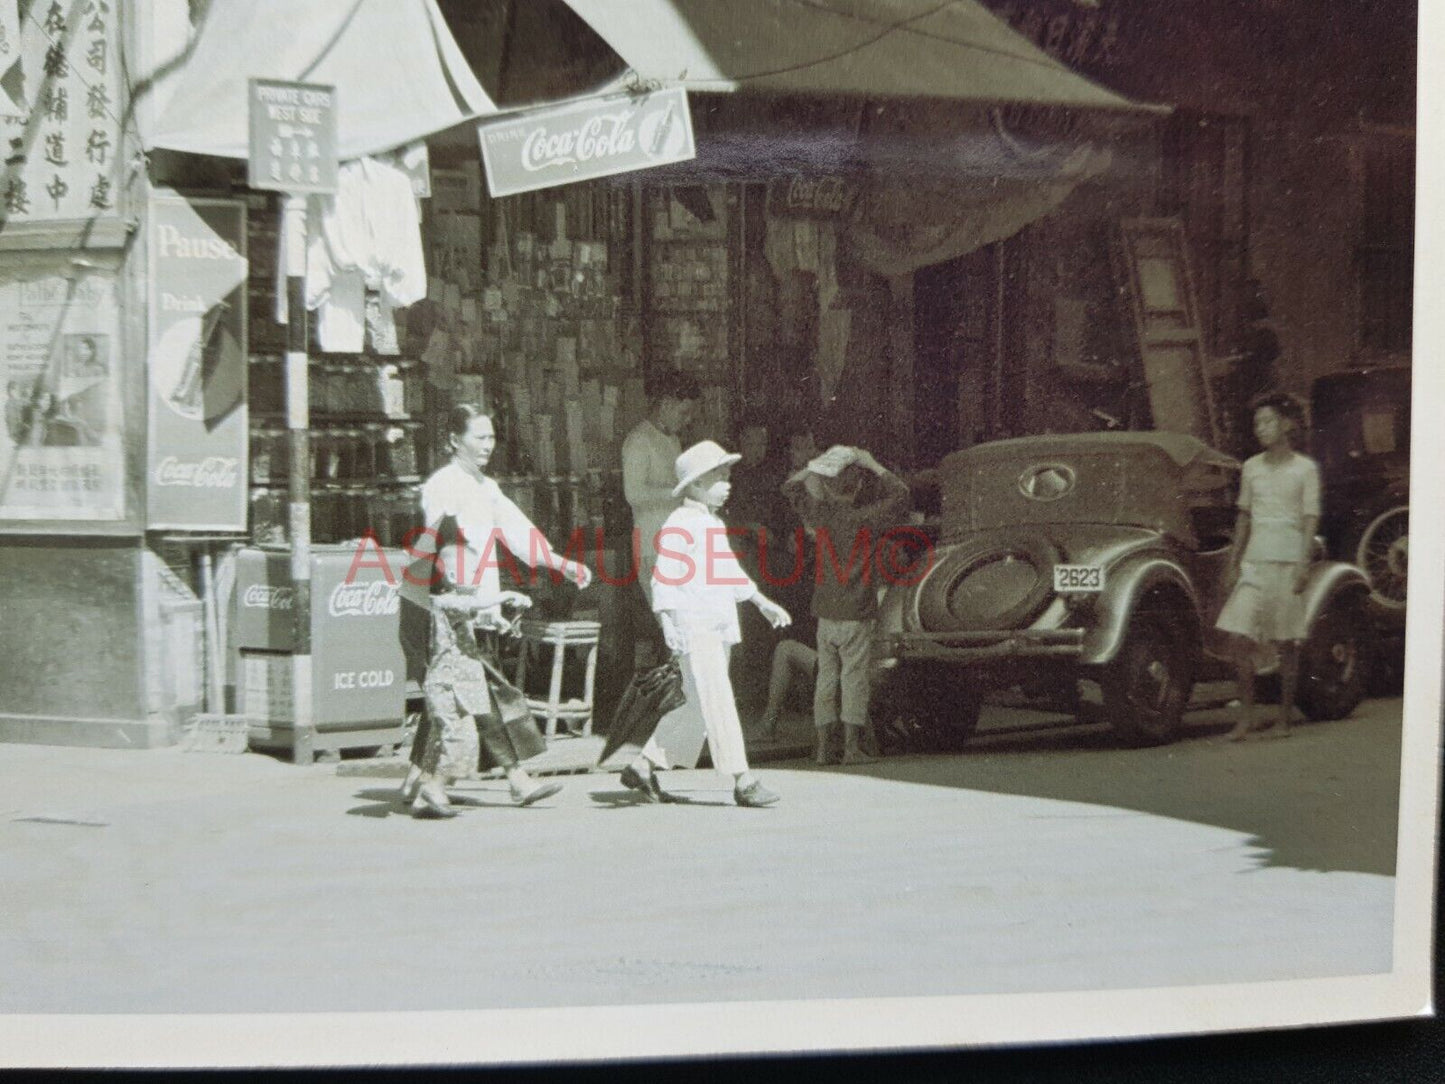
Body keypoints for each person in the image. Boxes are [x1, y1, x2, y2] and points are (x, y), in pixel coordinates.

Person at [400, 404, 594, 818]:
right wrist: (475, 603)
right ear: (454, 439)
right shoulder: (442, 485)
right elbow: (445, 548)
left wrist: (561, 563)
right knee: (479, 691)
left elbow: (519, 532)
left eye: (491, 438)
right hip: (444, 609)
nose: (488, 445)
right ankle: (506, 779)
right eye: (479, 437)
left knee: (469, 693)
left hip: (470, 606)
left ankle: (429, 780)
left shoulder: (486, 487)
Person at [619, 440, 793, 808]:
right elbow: (662, 577)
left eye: (727, 474)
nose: (727, 482)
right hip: (694, 626)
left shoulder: (710, 522)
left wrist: (761, 602)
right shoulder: (681, 523)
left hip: (715, 624)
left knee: (695, 706)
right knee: (718, 700)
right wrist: (668, 622)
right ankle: (742, 780)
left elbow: (728, 572)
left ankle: (643, 765)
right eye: (718, 476)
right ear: (696, 484)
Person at [783, 445, 911, 766]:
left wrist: (816, 466)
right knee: (853, 678)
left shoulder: (820, 516)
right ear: (856, 488)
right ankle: (852, 748)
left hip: (825, 612)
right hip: (856, 611)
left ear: (826, 486)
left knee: (826, 678)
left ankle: (824, 747)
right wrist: (870, 461)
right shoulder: (866, 520)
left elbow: (790, 487)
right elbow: (901, 494)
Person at [1217, 392, 1320, 742]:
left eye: (1268, 421)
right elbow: (1244, 517)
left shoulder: (1305, 469)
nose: (1261, 428)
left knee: (1286, 643)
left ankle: (1284, 719)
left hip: (1288, 561)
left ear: (1286, 424)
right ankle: (1247, 718)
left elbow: (1309, 520)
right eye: (1258, 423)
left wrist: (1304, 564)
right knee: (1237, 637)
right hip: (1255, 564)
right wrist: (1233, 562)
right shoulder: (1251, 468)